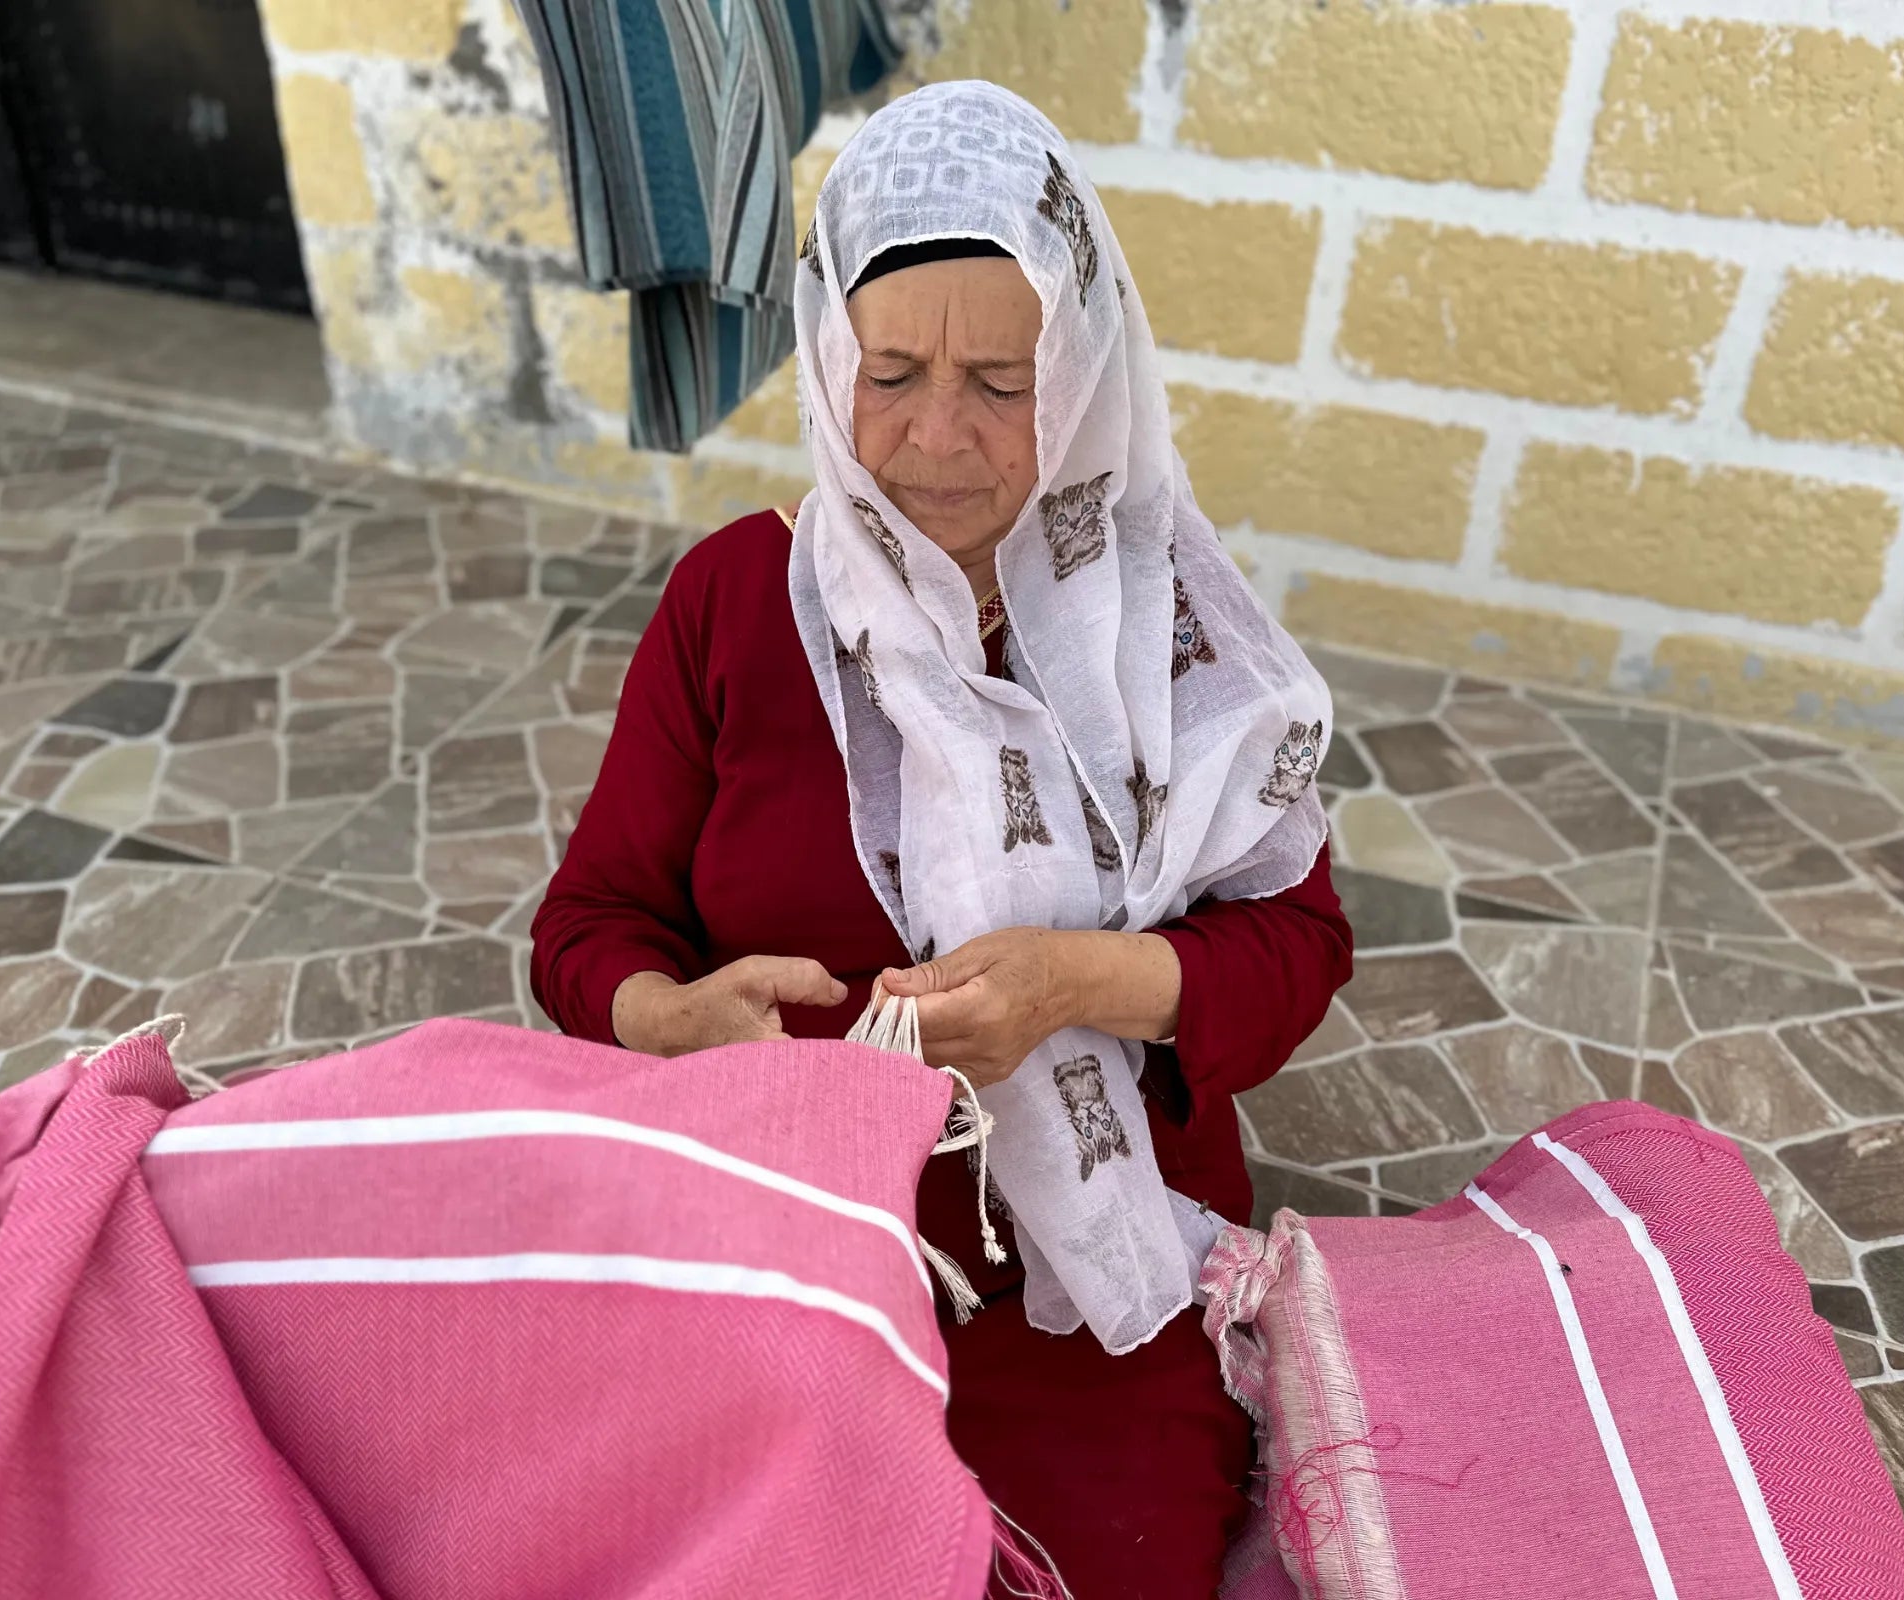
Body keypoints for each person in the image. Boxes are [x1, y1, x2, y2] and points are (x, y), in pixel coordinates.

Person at [531, 80, 1353, 1599]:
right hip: (782, 1222)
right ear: (830, 357)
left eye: (1003, 379)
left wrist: (1083, 986)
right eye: (892, 370)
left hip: (1079, 1273)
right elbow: (591, 924)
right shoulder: (737, 603)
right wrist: (671, 1017)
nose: (938, 440)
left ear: (1087, 368)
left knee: (1093, 1569)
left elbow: (1298, 938)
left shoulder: (1159, 617)